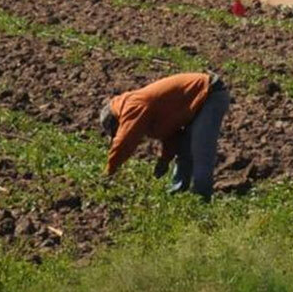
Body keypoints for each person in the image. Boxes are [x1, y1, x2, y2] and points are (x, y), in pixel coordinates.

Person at [99, 72, 231, 201]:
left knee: (200, 149)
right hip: (199, 99)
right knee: (185, 147)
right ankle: (178, 191)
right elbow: (171, 135)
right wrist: (165, 160)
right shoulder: (139, 108)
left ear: (117, 122)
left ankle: (202, 197)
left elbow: (124, 141)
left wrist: (109, 171)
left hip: (210, 93)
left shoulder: (134, 106)